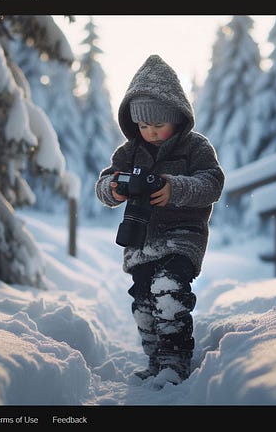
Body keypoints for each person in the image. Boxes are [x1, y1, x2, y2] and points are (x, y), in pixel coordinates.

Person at [95, 55, 224, 386]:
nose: (150, 133)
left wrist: (174, 188)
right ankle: (155, 360)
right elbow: (104, 183)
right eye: (142, 126)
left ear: (177, 118)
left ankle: (175, 361)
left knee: (168, 289)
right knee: (143, 302)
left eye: (157, 125)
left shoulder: (196, 147)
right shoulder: (129, 152)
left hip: (183, 236)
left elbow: (212, 183)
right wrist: (112, 188)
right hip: (141, 239)